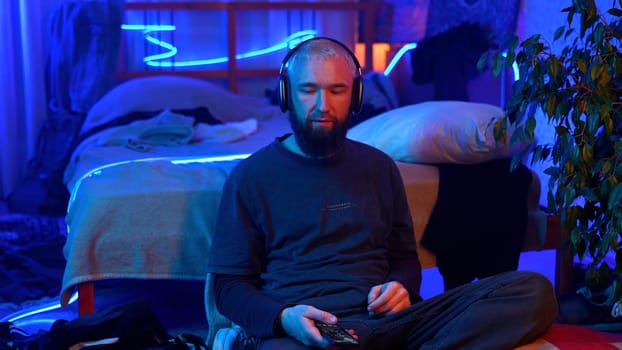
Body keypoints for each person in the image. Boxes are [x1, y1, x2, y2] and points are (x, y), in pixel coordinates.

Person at [206, 37, 558, 350]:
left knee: (532, 292)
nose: (322, 105)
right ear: (287, 94)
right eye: (308, 89)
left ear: (355, 96)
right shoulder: (250, 177)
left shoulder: (380, 168)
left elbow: (404, 259)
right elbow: (228, 287)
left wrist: (400, 285)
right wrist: (283, 317)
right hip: (303, 332)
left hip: (385, 325)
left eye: (337, 90)